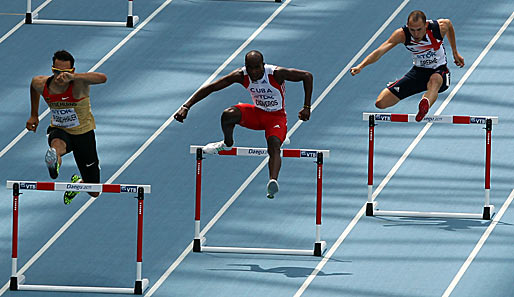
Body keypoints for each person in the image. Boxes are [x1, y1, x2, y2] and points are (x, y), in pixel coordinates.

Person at [173, 50, 313, 199]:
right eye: (250, 68)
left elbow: (307, 76)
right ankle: (227, 144)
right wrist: (186, 106)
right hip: (257, 114)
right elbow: (212, 87)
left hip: (276, 117)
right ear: (246, 66)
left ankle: (272, 181)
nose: (253, 72)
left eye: (257, 67)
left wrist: (307, 107)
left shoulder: (276, 73)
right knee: (228, 114)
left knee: (273, 145)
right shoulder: (241, 75)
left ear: (263, 65)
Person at [350, 10, 465, 121]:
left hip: (439, 71)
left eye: (419, 29)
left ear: (425, 25)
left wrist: (455, 52)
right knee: (381, 103)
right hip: (418, 72)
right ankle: (418, 94)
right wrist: (361, 66)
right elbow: (379, 51)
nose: (415, 34)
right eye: (412, 30)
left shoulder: (438, 28)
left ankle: (424, 105)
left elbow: (449, 25)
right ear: (407, 26)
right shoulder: (401, 34)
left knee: (434, 81)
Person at [26, 50, 107, 204]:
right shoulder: (41, 83)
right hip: (59, 129)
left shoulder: (79, 85)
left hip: (83, 134)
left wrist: (74, 77)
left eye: (64, 72)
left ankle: (77, 183)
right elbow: (33, 87)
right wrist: (34, 115)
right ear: (52, 69)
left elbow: (102, 78)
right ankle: (54, 159)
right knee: (56, 146)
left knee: (94, 191)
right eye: (56, 72)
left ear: (72, 71)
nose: (59, 76)